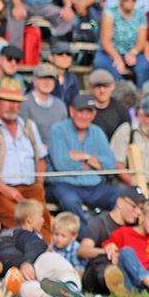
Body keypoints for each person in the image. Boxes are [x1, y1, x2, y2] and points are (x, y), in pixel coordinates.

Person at [0, 78, 51, 236]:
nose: (13, 106)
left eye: (16, 102)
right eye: (8, 101)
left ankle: (43, 253)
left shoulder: (28, 125)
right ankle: (32, 252)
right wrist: (5, 189)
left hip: (30, 187)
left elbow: (41, 159)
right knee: (17, 218)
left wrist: (39, 183)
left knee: (44, 220)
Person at [46, 96, 120, 229]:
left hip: (94, 186)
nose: (84, 116)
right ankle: (85, 238)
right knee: (70, 200)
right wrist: (94, 163)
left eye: (89, 112)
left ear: (94, 114)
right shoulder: (58, 130)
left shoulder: (97, 131)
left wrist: (84, 157)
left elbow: (111, 164)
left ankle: (110, 235)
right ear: (72, 111)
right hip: (65, 184)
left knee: (119, 197)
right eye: (81, 111)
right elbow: (61, 164)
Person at [77, 186, 145, 296]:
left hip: (124, 268)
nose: (137, 212)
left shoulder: (136, 227)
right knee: (102, 260)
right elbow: (83, 250)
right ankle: (115, 284)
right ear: (120, 202)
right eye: (134, 206)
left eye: (141, 209)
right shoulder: (99, 222)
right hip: (97, 276)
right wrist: (106, 251)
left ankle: (122, 287)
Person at [95, 0, 149, 84]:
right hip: (109, 52)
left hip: (131, 51)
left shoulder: (141, 15)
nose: (130, 0)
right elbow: (105, 42)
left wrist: (133, 52)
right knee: (113, 71)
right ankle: (114, 96)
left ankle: (142, 94)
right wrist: (117, 58)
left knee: (144, 66)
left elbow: (141, 41)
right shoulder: (109, 14)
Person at [19, 63, 68, 146]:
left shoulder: (60, 105)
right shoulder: (24, 102)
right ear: (34, 81)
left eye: (50, 78)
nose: (47, 82)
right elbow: (20, 134)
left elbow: (64, 134)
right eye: (43, 78)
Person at [84, 69, 130, 140]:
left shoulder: (120, 108)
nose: (102, 90)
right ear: (90, 87)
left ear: (113, 86)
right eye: (97, 86)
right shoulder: (83, 108)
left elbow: (127, 134)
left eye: (106, 86)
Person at [48, 41, 80, 108]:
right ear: (51, 57)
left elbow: (75, 103)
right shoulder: (43, 76)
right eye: (60, 54)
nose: (64, 57)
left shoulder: (73, 79)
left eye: (68, 54)